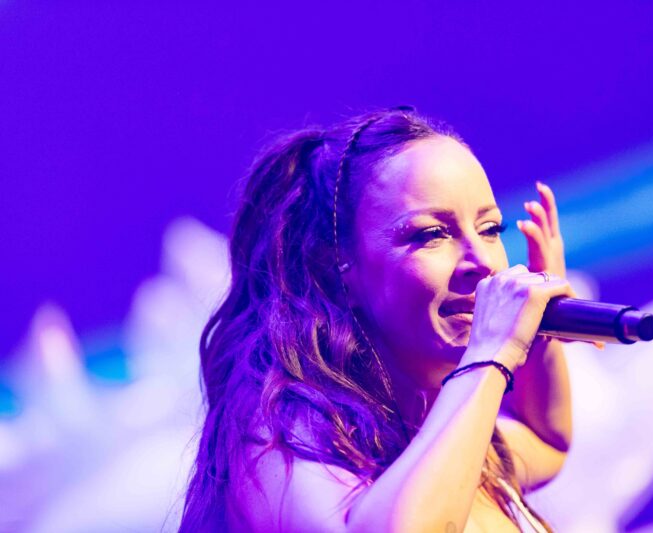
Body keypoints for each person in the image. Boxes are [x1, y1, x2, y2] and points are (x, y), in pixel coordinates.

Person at [180, 106, 574, 532]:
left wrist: (542, 329)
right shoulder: (280, 436)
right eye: (431, 234)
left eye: (491, 229)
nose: (482, 263)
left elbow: (544, 439)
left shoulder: (429, 424)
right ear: (335, 268)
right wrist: (491, 355)